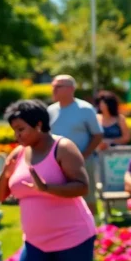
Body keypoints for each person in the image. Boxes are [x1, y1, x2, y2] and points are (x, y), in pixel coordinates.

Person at [0, 100, 131, 261]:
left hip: (72, 235)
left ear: (39, 124)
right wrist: (5, 174)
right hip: (35, 241)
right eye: (14, 130)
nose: (17, 135)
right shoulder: (18, 155)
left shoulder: (63, 148)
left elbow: (82, 186)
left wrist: (47, 188)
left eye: (21, 129)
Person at [47, 75, 103, 216]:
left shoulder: (85, 109)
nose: (53, 90)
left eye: (58, 86)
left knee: (88, 196)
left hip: (84, 162)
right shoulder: (50, 111)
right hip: (57, 164)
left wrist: (83, 156)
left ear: (71, 89)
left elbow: (97, 135)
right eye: (53, 86)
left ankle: (93, 224)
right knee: (60, 197)